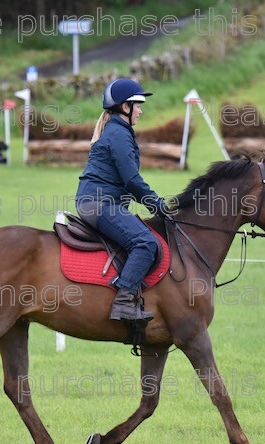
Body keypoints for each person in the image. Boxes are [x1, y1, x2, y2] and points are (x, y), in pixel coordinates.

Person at [76, 78, 170, 323]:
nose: (141, 110)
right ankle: (123, 301)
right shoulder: (118, 133)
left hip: (100, 203)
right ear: (124, 108)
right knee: (145, 243)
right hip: (100, 204)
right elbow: (131, 179)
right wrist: (156, 203)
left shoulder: (118, 130)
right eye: (137, 105)